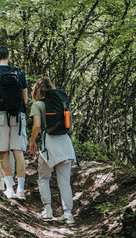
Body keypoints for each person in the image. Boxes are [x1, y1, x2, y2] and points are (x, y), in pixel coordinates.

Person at [29, 77, 77, 224]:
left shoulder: (37, 104)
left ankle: (47, 210)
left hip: (49, 146)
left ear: (36, 90)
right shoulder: (61, 102)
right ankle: (68, 214)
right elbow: (71, 127)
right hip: (65, 144)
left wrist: (31, 141)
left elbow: (37, 126)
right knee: (64, 181)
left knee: (43, 177)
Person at [0, 46, 28, 199]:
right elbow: (26, 99)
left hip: (0, 115)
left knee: (3, 151)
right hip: (18, 115)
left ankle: (9, 189)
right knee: (18, 151)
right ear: (9, 58)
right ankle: (21, 190)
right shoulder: (19, 73)